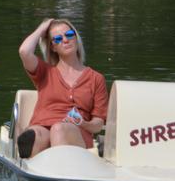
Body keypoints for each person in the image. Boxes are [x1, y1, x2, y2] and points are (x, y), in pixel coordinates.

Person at [16, 18, 108, 159]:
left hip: (77, 132)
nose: (65, 40)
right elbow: (24, 51)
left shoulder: (96, 78)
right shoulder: (45, 72)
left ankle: (55, 175)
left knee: (59, 129)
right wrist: (43, 27)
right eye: (58, 38)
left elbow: (98, 124)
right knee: (35, 135)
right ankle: (32, 169)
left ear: (76, 37)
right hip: (43, 127)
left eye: (69, 34)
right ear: (53, 47)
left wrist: (84, 123)